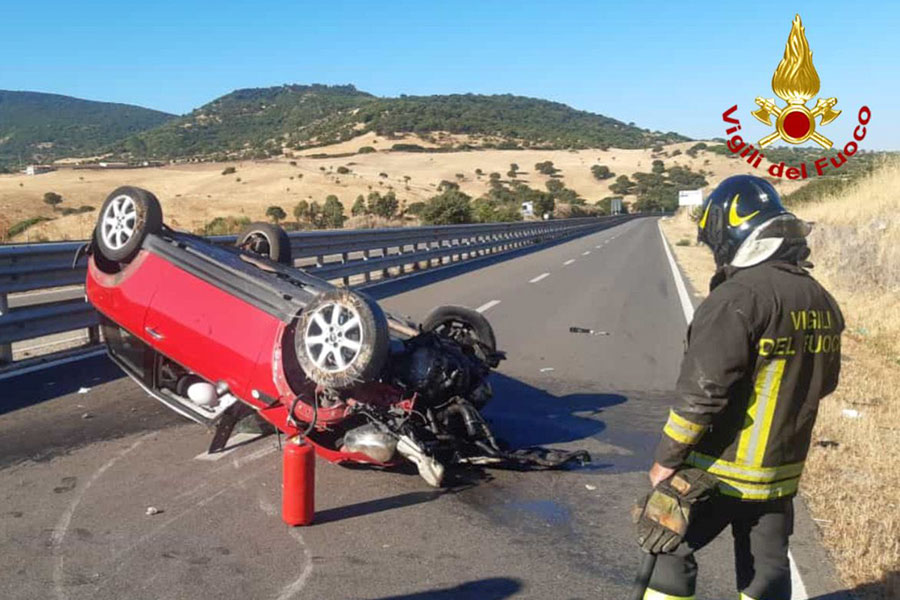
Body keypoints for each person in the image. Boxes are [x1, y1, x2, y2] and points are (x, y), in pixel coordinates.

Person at [644, 175, 843, 600]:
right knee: (766, 571)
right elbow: (825, 383)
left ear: (730, 233)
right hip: (780, 474)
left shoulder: (736, 298)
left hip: (719, 470)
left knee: (667, 546)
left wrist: (666, 459)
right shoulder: (820, 299)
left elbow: (702, 395)